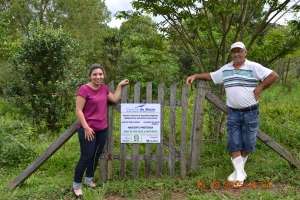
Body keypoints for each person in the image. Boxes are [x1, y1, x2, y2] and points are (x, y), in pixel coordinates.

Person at [186, 42, 278, 187]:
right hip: (234, 112)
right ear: (231, 54)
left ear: (245, 52)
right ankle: (240, 175)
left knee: (247, 143)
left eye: (239, 51)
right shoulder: (226, 69)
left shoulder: (253, 67)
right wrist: (196, 75)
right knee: (234, 142)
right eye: (234, 52)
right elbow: (211, 76)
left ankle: (238, 173)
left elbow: (273, 75)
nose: (237, 54)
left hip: (251, 112)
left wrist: (259, 88)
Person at [72, 63, 129, 199]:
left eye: (100, 74)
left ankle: (89, 180)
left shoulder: (103, 88)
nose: (98, 77)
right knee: (86, 157)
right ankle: (76, 185)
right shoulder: (84, 89)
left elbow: (114, 100)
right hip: (88, 130)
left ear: (103, 75)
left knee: (96, 155)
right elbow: (78, 110)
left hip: (102, 129)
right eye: (95, 74)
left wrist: (119, 86)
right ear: (90, 76)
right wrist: (86, 127)